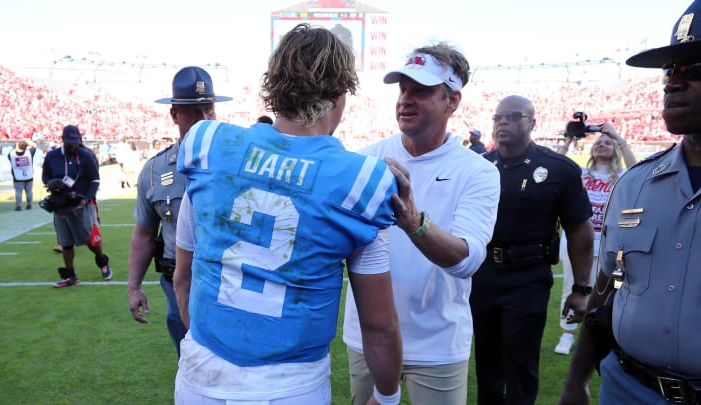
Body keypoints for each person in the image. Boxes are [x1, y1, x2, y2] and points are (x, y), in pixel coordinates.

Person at [172, 23, 403, 405]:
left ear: (273, 85)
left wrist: (210, 348)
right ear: (340, 94)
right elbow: (378, 326)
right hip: (291, 384)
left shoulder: (207, 143)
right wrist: (389, 395)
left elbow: (183, 276)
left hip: (202, 373)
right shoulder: (363, 181)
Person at [343, 44, 501, 405]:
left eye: (421, 91)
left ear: (452, 100)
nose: (406, 100)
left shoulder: (478, 172)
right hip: (367, 336)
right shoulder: (367, 160)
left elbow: (467, 260)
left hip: (438, 344)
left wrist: (414, 223)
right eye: (403, 89)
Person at [560, 2, 701, 403]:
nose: (673, 83)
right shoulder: (635, 185)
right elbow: (608, 293)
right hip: (627, 388)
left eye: (695, 71)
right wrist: (575, 381)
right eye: (670, 71)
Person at [470, 95, 594, 405]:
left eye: (513, 117)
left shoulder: (558, 169)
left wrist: (581, 288)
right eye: (498, 117)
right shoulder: (477, 167)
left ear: (532, 123)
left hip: (528, 279)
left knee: (521, 365)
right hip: (483, 276)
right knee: (486, 363)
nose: (503, 123)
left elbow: (579, 230)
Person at [127, 65, 232, 357]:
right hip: (177, 285)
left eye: (208, 109)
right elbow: (145, 234)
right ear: (174, 115)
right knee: (190, 361)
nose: (204, 118)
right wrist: (133, 287)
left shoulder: (240, 160)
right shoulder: (155, 171)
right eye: (193, 112)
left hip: (230, 282)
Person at [553, 123, 637, 356]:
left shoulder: (621, 177)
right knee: (572, 287)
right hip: (577, 243)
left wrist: (616, 136)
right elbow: (552, 167)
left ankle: (597, 335)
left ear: (616, 150)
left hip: (609, 242)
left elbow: (638, 170)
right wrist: (569, 141)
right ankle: (567, 333)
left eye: (607, 143)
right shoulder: (579, 174)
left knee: (606, 291)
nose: (601, 144)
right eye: (598, 142)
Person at [41, 125, 112, 287]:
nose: (72, 145)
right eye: (69, 142)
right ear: (62, 140)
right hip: (60, 205)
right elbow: (45, 175)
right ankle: (70, 275)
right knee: (66, 243)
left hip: (81, 205)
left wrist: (86, 199)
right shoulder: (52, 156)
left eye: (75, 142)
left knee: (90, 241)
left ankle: (102, 263)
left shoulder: (86, 156)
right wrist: (49, 183)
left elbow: (94, 180)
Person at [8, 139, 37, 210]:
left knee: (18, 192)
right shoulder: (29, 153)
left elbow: (13, 154)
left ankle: (18, 205)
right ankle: (29, 204)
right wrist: (26, 140)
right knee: (29, 191)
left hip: (17, 176)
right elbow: (34, 146)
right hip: (28, 175)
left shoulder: (11, 154)